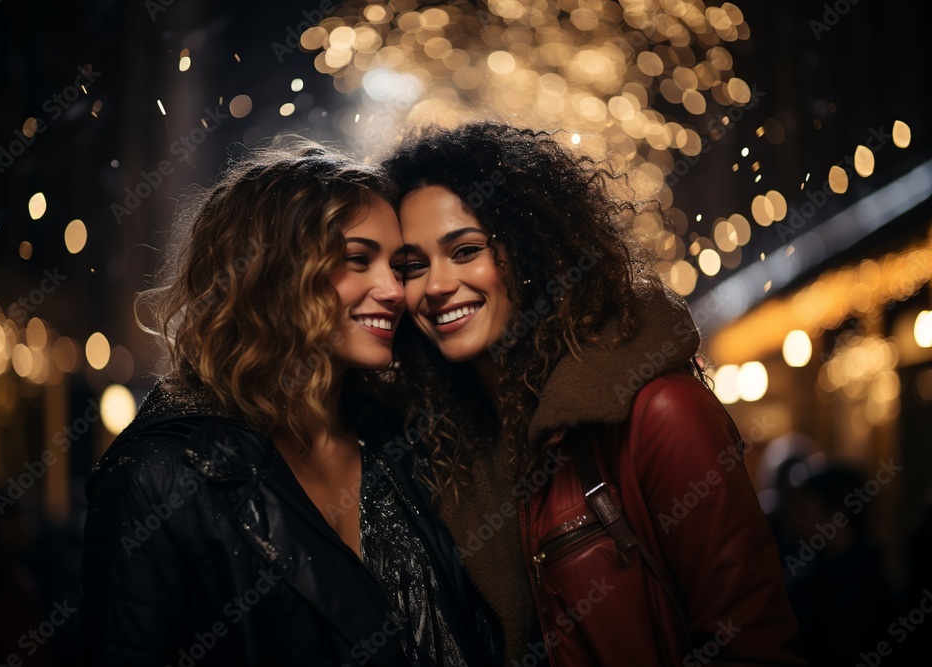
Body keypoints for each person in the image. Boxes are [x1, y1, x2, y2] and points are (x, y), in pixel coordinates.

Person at [383, 122, 804, 666]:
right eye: (414, 265)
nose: (436, 285)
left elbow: (755, 647)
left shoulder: (661, 414)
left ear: (530, 251)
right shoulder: (450, 446)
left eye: (465, 251)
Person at [80, 144, 502, 666]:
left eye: (398, 266)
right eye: (356, 260)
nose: (395, 290)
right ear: (273, 271)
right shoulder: (157, 478)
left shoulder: (410, 439)